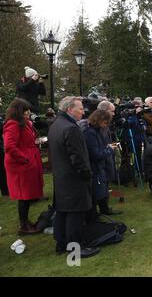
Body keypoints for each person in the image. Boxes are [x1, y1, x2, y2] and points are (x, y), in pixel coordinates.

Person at [48, 96, 100, 258]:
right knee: (75, 214)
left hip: (61, 176)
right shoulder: (71, 128)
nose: (83, 111)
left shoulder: (56, 124)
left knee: (63, 211)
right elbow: (77, 157)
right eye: (79, 108)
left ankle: (61, 243)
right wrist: (87, 174)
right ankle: (76, 248)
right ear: (70, 109)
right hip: (73, 177)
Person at [3, 98, 44, 234]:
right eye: (26, 110)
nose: (29, 112)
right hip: (21, 164)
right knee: (24, 195)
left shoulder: (24, 123)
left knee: (28, 195)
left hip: (28, 160)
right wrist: (24, 159)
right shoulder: (13, 124)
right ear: (19, 111)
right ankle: (23, 225)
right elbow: (9, 146)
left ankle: (25, 221)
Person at [84, 110, 122, 216]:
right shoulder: (90, 133)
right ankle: (94, 214)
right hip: (94, 167)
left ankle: (104, 209)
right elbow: (95, 154)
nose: (106, 125)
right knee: (97, 191)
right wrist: (109, 149)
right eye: (105, 123)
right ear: (99, 120)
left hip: (100, 166)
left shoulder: (96, 131)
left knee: (103, 189)